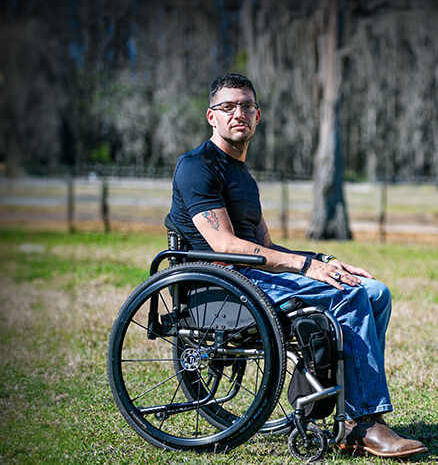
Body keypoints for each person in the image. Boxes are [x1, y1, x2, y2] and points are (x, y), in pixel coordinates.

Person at [167, 72, 426, 459]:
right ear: (211, 117)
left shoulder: (242, 176)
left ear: (258, 116)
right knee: (349, 296)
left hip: (251, 279)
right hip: (222, 288)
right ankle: (365, 422)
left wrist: (324, 261)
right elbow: (223, 245)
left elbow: (265, 247)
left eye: (247, 106)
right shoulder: (198, 166)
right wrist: (304, 267)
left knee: (375, 292)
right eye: (228, 107)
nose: (239, 113)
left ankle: (352, 416)